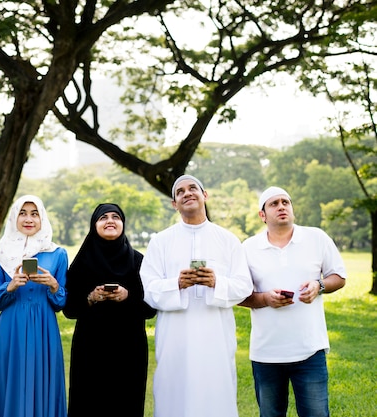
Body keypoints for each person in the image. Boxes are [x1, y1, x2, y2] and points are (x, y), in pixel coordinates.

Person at [139, 174, 253, 417]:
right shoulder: (160, 241)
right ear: (174, 203)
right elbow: (148, 288)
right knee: (174, 394)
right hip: (174, 336)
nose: (187, 193)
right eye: (180, 192)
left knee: (216, 393)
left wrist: (216, 283)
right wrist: (176, 284)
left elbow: (244, 286)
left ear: (205, 195)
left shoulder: (228, 239)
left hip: (216, 335)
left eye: (193, 188)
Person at [239, 186, 346, 417]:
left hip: (310, 350)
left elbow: (339, 277)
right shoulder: (248, 248)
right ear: (262, 215)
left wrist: (319, 286)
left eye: (285, 202)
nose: (281, 207)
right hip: (266, 353)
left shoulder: (316, 237)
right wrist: (266, 298)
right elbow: (239, 295)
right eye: (274, 204)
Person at [63, 203, 156, 417]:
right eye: (103, 217)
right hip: (90, 347)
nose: (110, 221)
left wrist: (127, 296)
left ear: (123, 224)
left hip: (129, 347)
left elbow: (151, 308)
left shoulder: (140, 262)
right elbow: (69, 309)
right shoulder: (81, 263)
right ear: (94, 225)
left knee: (127, 402)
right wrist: (91, 297)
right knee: (88, 403)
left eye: (116, 217)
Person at [0, 195, 68, 417]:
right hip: (11, 327)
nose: (28, 219)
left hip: (44, 328)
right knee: (11, 378)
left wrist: (54, 285)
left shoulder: (57, 254)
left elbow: (61, 303)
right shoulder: (0, 252)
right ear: (14, 217)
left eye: (34, 213)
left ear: (42, 218)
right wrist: (10, 286)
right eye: (23, 213)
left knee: (41, 378)